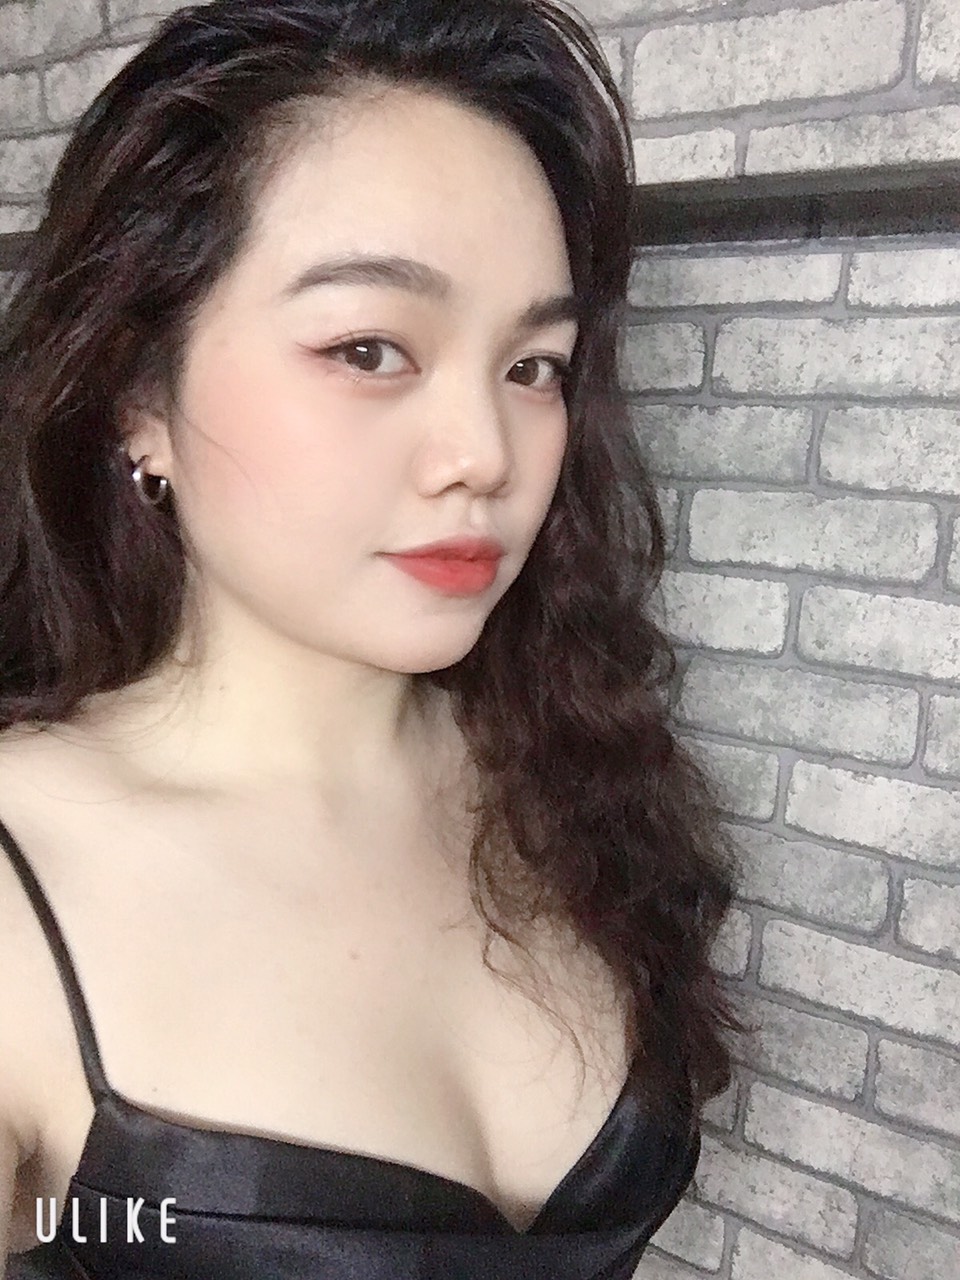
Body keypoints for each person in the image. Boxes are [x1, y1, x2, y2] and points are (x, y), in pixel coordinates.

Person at [0, 1, 740, 1275]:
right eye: (370, 348)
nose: (485, 455)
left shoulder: (562, 772)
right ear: (137, 394)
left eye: (535, 365)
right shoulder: (22, 883)